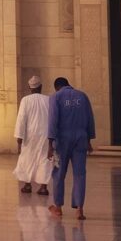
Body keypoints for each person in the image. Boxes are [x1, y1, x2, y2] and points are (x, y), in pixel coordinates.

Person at [47, 77, 95, 220]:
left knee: (58, 173)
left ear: (57, 87)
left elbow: (52, 121)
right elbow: (90, 119)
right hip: (80, 138)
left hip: (62, 141)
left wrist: (50, 144)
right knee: (80, 174)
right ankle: (79, 209)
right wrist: (89, 140)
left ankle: (58, 207)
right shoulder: (82, 96)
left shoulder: (56, 97)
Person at [13, 76, 51, 195]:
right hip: (45, 134)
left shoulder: (25, 100)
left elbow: (21, 119)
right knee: (44, 159)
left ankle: (27, 185)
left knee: (27, 158)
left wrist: (19, 139)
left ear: (30, 87)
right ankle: (43, 187)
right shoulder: (48, 99)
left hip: (30, 135)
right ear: (41, 87)